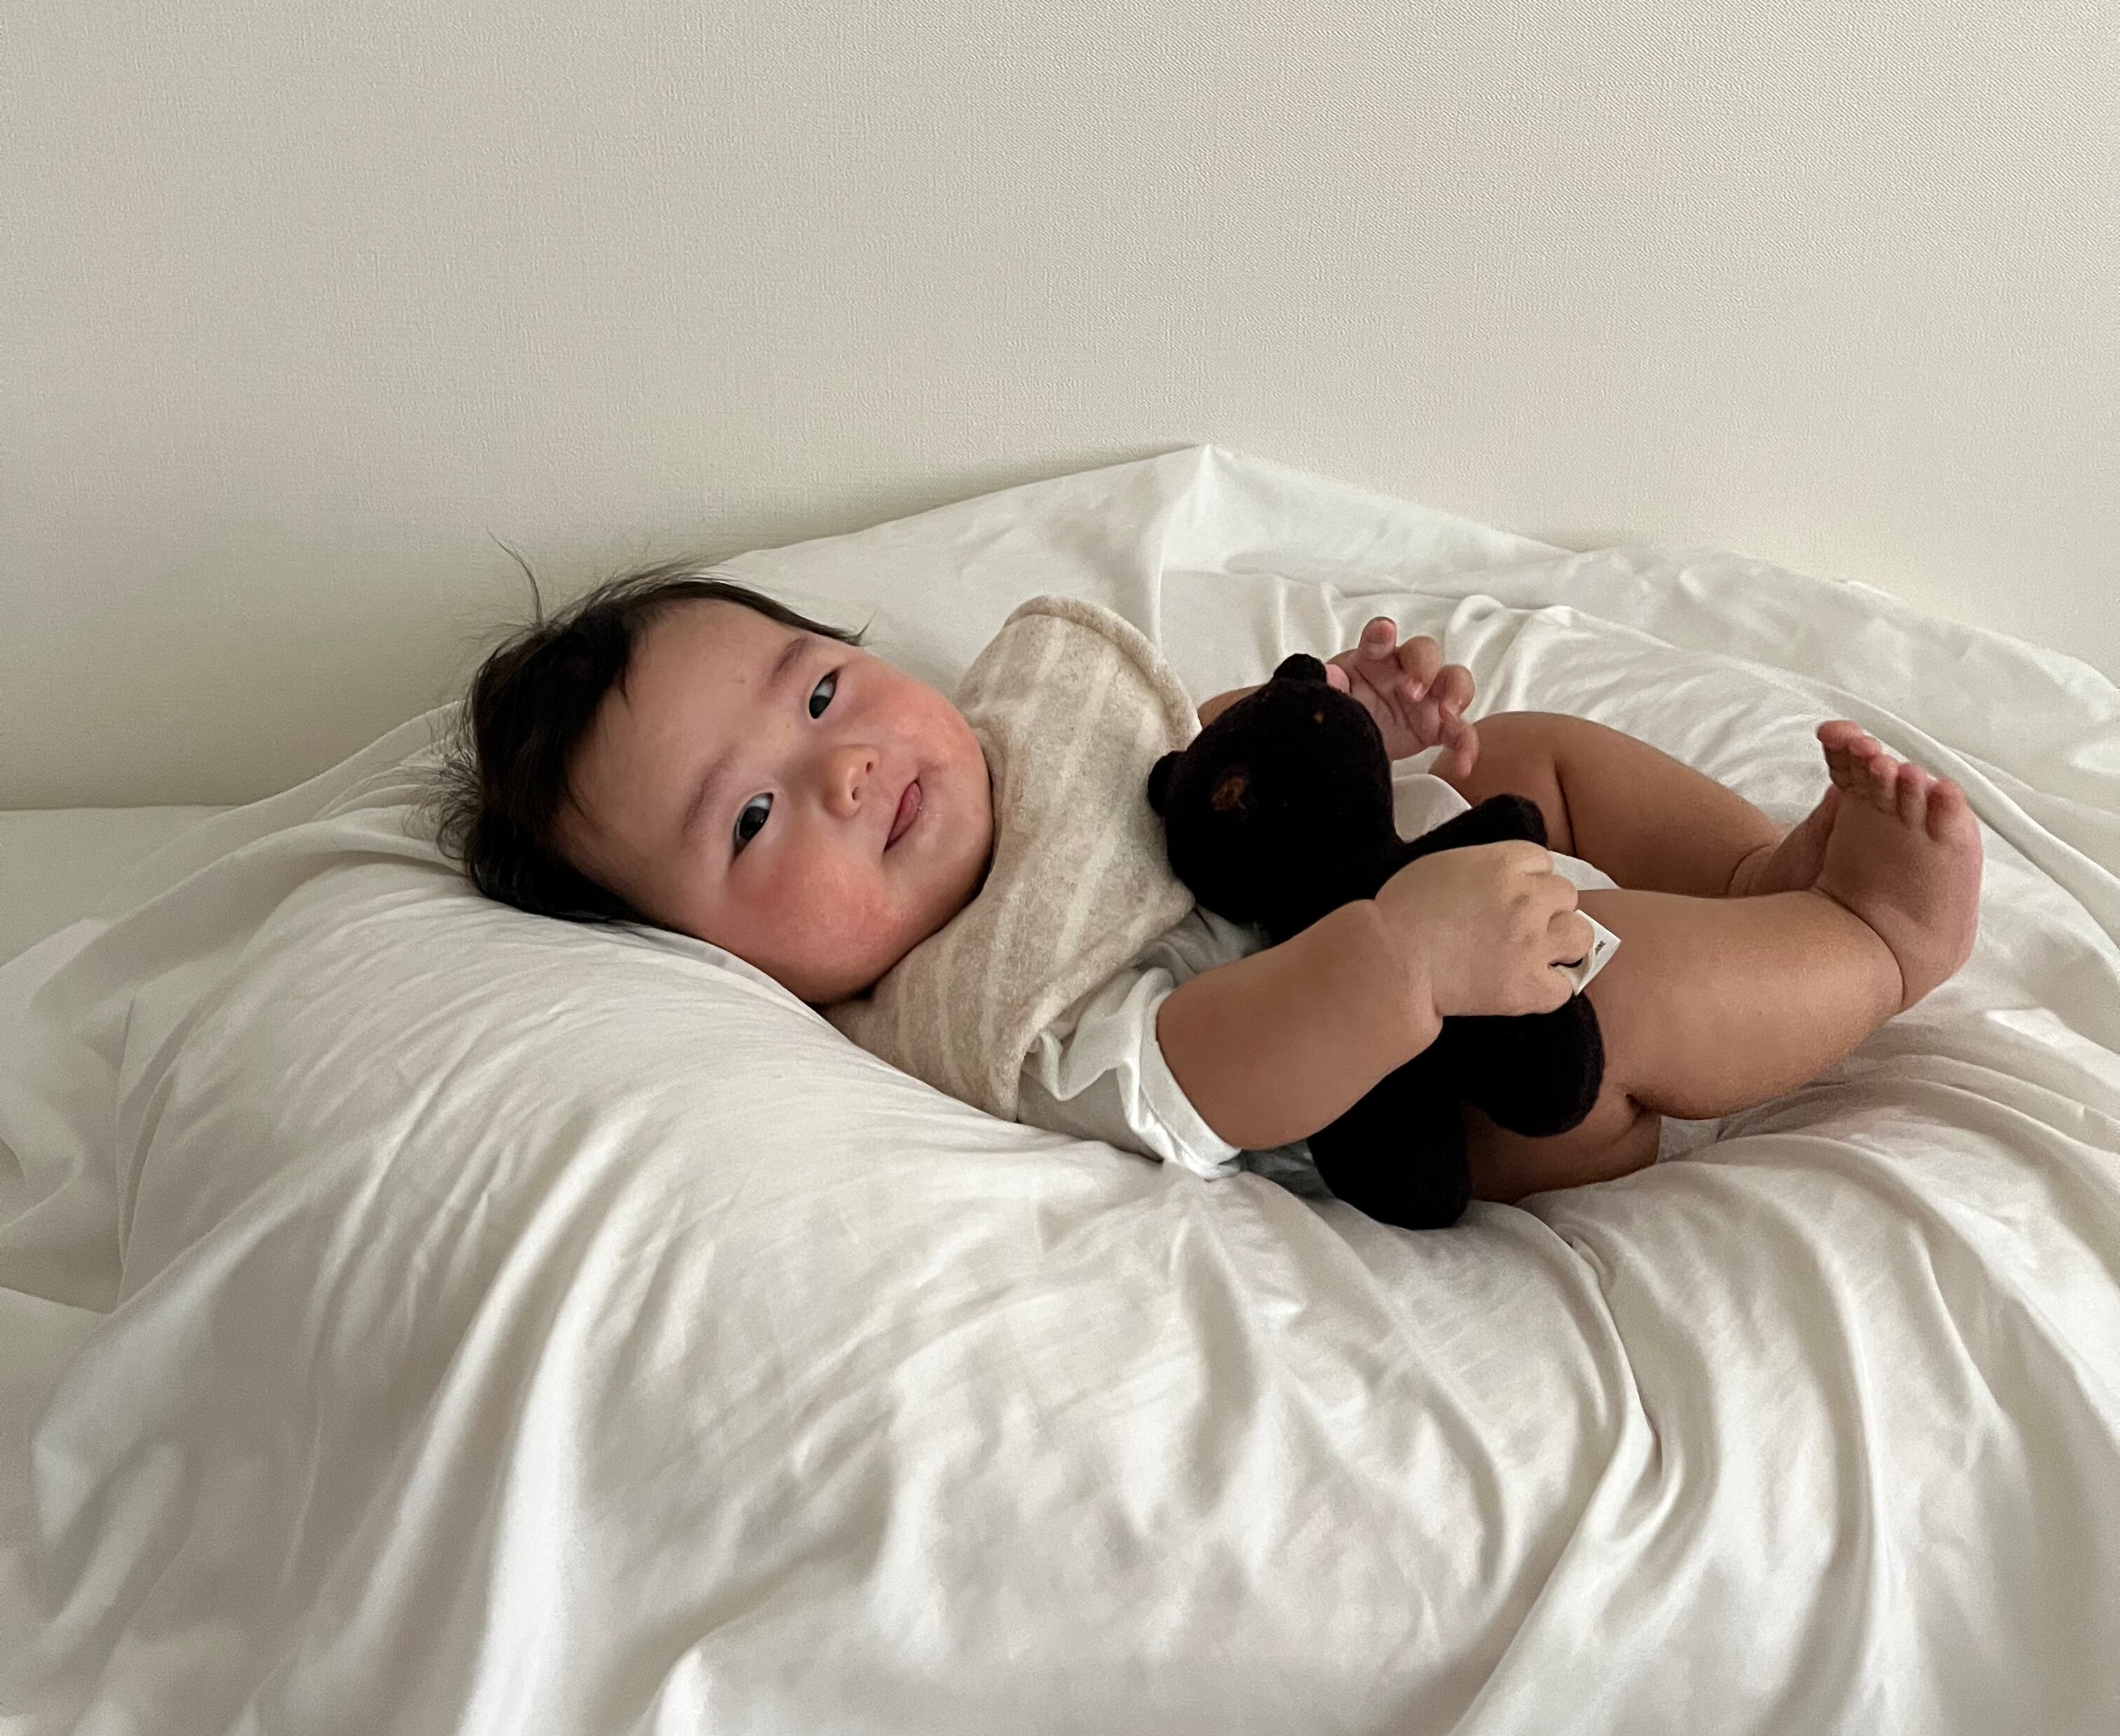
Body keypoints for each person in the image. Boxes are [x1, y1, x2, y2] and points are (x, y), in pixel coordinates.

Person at [436, 569, 1983, 1202]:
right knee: (1608, 977)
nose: (842, 767)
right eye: (755, 817)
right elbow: (1199, 1076)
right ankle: (1875, 940)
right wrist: (1405, 963)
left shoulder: (1019, 725)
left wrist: (1355, 728)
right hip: (1446, 1079)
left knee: (1533, 755)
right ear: (722, 966)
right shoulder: (972, 1013)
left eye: (822, 690)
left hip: (1406, 877)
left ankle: (1754, 870)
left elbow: (1191, 758)